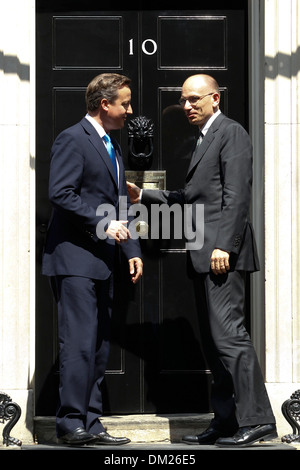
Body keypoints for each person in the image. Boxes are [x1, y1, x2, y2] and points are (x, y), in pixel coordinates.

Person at [127, 74, 277, 447]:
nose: (187, 106)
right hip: (202, 253)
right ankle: (226, 420)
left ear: (216, 98)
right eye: (183, 100)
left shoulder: (231, 133)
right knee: (214, 343)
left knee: (230, 338)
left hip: (221, 254)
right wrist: (142, 195)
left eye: (195, 99)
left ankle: (257, 420)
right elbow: (190, 197)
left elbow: (236, 195)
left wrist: (225, 245)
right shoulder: (203, 139)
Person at [42, 73, 143, 446]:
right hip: (74, 259)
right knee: (80, 343)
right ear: (105, 104)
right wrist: (105, 224)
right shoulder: (72, 138)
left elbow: (119, 203)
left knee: (99, 346)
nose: (130, 111)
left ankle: (92, 421)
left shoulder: (112, 146)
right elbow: (61, 194)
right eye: (125, 103)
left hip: (103, 261)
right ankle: (70, 423)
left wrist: (131, 250)